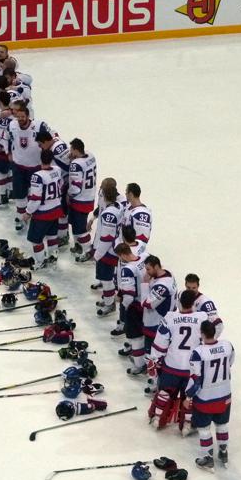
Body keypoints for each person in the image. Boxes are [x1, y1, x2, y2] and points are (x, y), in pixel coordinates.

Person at [147, 289, 207, 431]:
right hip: (192, 369)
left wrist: (155, 361)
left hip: (171, 366)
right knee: (190, 397)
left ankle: (158, 417)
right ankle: (187, 425)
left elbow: (161, 343)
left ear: (179, 302)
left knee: (165, 392)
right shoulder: (202, 317)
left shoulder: (170, 317)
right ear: (193, 304)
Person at [184, 320, 235, 472]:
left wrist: (188, 397)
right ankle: (223, 453)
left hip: (205, 397)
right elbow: (230, 362)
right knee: (222, 424)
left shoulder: (198, 353)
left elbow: (196, 380)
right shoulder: (227, 345)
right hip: (225, 393)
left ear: (202, 333)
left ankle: (207, 458)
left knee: (204, 429)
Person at [8, 102, 50, 231]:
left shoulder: (39, 126)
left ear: (27, 116)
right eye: (18, 117)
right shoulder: (12, 125)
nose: (20, 119)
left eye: (23, 117)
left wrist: (46, 159)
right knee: (19, 193)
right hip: (18, 165)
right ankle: (21, 217)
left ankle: (33, 216)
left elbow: (50, 139)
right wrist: (9, 152)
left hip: (35, 167)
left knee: (35, 194)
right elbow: (10, 140)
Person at [23, 149, 64, 269]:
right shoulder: (57, 170)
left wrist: (28, 212)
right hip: (55, 209)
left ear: (40, 159)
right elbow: (60, 185)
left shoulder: (38, 176)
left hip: (43, 213)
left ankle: (40, 262)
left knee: (35, 240)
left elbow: (36, 198)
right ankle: (53, 256)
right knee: (52, 236)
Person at [91, 183, 124, 316]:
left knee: (106, 279)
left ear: (104, 196)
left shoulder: (109, 213)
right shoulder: (118, 206)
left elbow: (107, 238)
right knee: (107, 278)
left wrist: (98, 254)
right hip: (114, 248)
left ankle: (110, 304)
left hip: (108, 251)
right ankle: (108, 300)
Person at [138, 254, 177, 366]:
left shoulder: (162, 286)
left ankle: (152, 371)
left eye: (148, 269)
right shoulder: (168, 274)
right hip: (161, 318)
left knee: (152, 351)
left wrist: (145, 284)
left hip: (156, 322)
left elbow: (147, 304)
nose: (147, 273)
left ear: (156, 267)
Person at [35, 130, 71, 245]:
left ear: (45, 141)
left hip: (65, 182)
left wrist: (69, 185)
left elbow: (70, 165)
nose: (40, 147)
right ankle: (62, 234)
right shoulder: (53, 144)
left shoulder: (57, 148)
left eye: (40, 144)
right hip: (61, 182)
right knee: (60, 209)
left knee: (62, 211)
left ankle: (63, 236)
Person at [115, 240, 148, 363]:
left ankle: (138, 361)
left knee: (135, 335)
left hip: (136, 305)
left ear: (123, 255)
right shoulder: (145, 257)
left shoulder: (128, 269)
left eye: (119, 257)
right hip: (148, 300)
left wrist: (124, 306)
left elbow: (128, 297)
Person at [66, 138, 97, 258]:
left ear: (75, 150)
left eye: (71, 149)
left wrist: (69, 194)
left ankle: (88, 250)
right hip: (89, 196)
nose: (70, 152)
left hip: (80, 200)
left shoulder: (76, 164)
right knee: (75, 224)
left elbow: (76, 187)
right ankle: (78, 246)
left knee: (80, 228)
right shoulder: (91, 156)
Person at [0, 91, 14, 207]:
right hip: (11, 149)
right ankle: (10, 191)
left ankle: (3, 195)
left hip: (4, 149)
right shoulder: (11, 115)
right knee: (8, 171)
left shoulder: (1, 117)